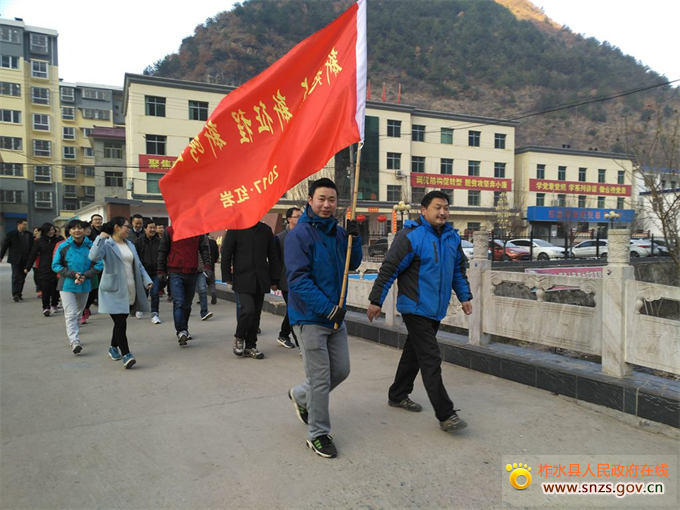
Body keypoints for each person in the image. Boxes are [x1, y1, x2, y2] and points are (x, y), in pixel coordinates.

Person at [367, 191, 473, 434]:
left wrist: (465, 296)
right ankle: (446, 414)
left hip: (435, 308)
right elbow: (389, 269)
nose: (443, 212)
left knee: (413, 354)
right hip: (414, 307)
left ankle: (397, 394)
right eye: (437, 207)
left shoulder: (451, 238)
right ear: (423, 210)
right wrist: (376, 300)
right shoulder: (410, 236)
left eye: (446, 208)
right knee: (430, 357)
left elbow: (458, 270)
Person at [285, 178, 361, 458]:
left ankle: (301, 396)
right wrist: (328, 309)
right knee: (319, 378)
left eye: (331, 200)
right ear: (310, 200)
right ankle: (317, 434)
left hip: (334, 317)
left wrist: (356, 237)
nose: (327, 205)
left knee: (341, 370)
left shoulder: (339, 234)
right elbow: (298, 281)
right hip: (309, 317)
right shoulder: (300, 235)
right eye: (321, 199)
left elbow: (352, 264)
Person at [90, 217, 153, 369]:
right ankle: (126, 354)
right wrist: (101, 237)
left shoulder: (129, 244)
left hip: (130, 288)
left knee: (121, 321)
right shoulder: (106, 243)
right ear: (117, 227)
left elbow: (138, 265)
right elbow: (93, 256)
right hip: (113, 290)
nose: (129, 229)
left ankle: (113, 347)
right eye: (126, 226)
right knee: (120, 322)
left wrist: (147, 280)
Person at [222, 222, 281, 360]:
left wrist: (274, 279)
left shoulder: (266, 230)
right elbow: (226, 253)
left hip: (260, 278)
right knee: (247, 310)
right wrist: (227, 277)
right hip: (242, 278)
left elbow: (273, 256)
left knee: (255, 315)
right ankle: (239, 337)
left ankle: (251, 346)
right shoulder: (235, 228)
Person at [52, 219, 103, 354]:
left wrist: (85, 275)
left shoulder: (91, 246)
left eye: (80, 228)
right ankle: (74, 341)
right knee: (70, 313)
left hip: (85, 285)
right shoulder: (63, 246)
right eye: (73, 228)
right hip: (67, 285)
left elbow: (99, 264)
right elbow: (55, 265)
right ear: (69, 231)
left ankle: (75, 334)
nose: (77, 230)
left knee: (79, 313)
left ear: (85, 230)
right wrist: (73, 274)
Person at [157, 225, 211, 346]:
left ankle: (184, 329)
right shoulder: (170, 231)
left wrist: (207, 266)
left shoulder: (197, 231)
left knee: (187, 304)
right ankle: (181, 331)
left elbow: (204, 249)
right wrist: (161, 270)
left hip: (192, 272)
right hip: (176, 272)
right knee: (179, 302)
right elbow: (162, 250)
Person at [24, 223, 64, 316]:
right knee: (45, 289)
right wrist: (27, 267)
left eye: (53, 229)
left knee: (55, 289)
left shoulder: (59, 241)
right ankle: (46, 307)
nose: (51, 232)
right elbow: (33, 254)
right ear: (44, 231)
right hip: (44, 268)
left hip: (57, 267)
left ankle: (54, 304)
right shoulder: (39, 241)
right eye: (49, 230)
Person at [276, 207, 302, 349]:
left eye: (301, 216)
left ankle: (283, 334)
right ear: (289, 219)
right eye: (297, 216)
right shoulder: (280, 238)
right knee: (294, 310)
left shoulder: (304, 235)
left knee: (293, 309)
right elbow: (276, 261)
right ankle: (300, 344)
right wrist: (274, 281)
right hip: (286, 280)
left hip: (301, 280)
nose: (300, 219)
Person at [134, 219, 162, 324]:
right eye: (150, 227)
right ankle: (140, 308)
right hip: (143, 272)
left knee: (155, 294)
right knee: (143, 293)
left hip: (156, 272)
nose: (153, 230)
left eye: (154, 227)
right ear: (145, 229)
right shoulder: (138, 242)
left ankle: (155, 314)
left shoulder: (159, 242)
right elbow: (135, 257)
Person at [0, 218, 34, 301]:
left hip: (26, 260)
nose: (25, 226)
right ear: (19, 224)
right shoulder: (11, 234)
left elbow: (33, 247)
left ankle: (19, 293)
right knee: (16, 276)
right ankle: (15, 294)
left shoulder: (29, 235)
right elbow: (5, 246)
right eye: (24, 224)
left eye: (26, 224)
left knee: (22, 277)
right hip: (15, 260)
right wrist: (0, 256)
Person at [195, 235, 214, 321]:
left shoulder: (203, 237)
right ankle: (184, 310)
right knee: (188, 292)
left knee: (202, 290)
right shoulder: (186, 235)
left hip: (201, 269)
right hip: (188, 269)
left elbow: (207, 252)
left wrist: (207, 266)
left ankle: (204, 312)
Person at [207, 234, 219, 305]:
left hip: (202, 266)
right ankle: (213, 293)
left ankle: (202, 299)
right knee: (211, 282)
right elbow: (216, 254)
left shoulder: (200, 241)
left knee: (201, 283)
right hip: (211, 265)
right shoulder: (213, 242)